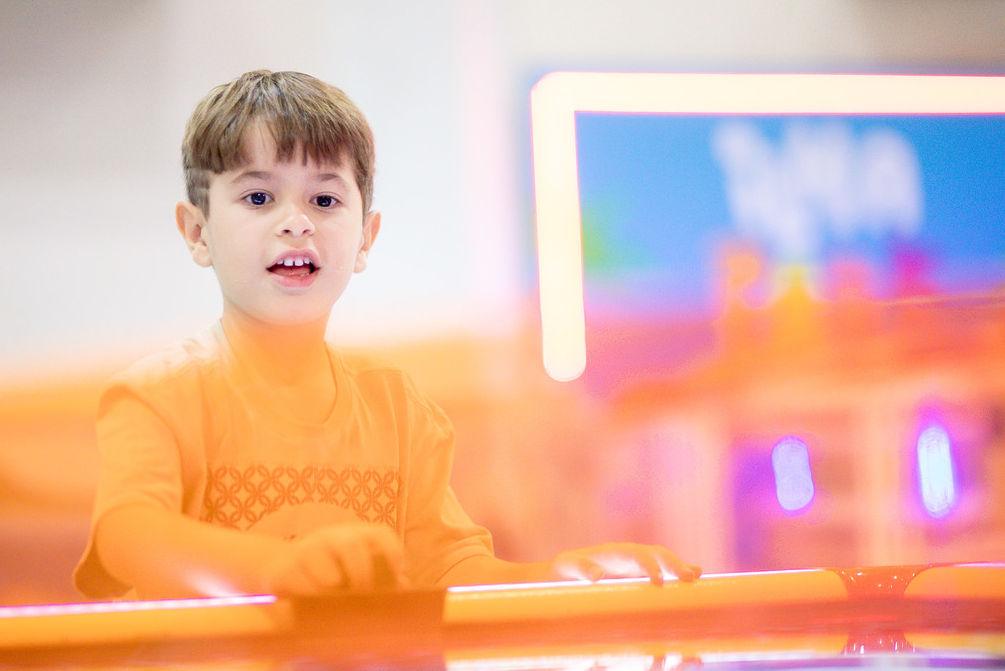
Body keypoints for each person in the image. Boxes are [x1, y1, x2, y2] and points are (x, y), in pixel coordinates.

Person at [73, 70, 699, 604]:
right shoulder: (156, 394)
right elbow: (130, 537)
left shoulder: (397, 408)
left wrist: (561, 580)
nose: (296, 222)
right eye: (259, 196)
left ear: (365, 238)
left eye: (324, 200)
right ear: (197, 232)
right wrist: (279, 571)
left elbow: (449, 570)